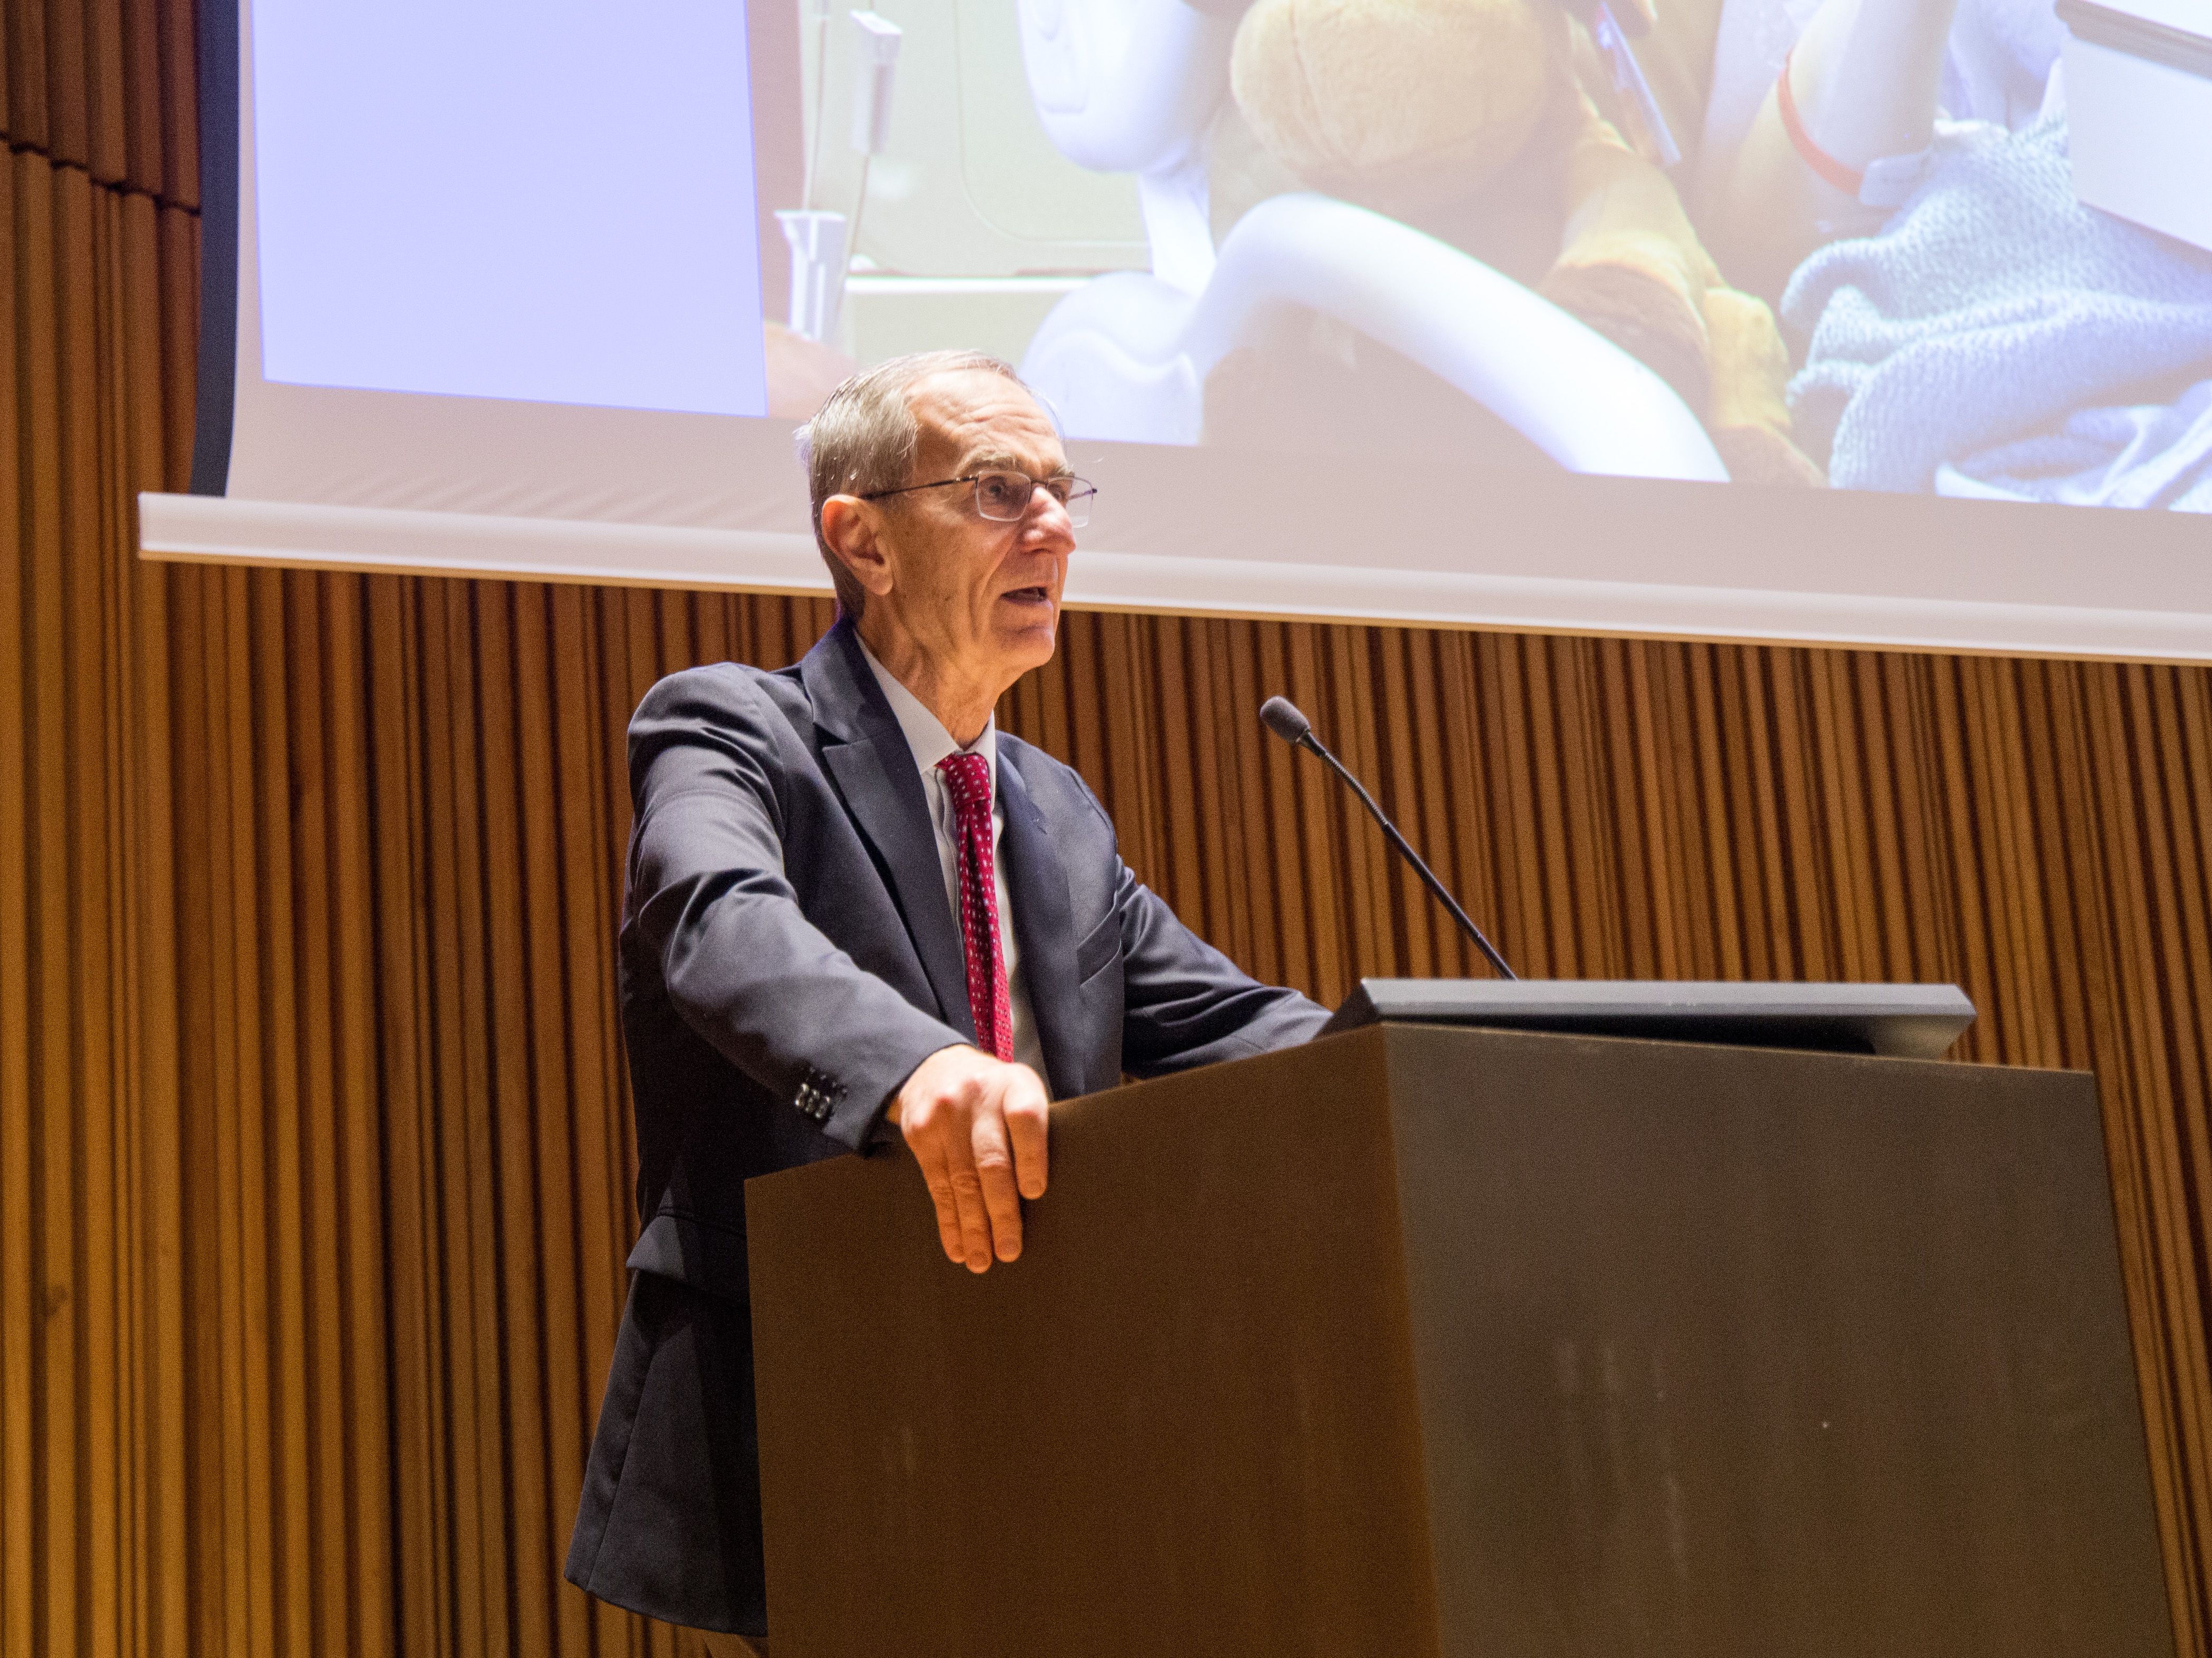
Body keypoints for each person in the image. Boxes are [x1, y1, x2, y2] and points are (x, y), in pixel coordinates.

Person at [563, 349, 1331, 1655]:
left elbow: (1246, 1030)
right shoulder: (733, 728)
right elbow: (716, 921)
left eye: (1060, 488)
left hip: (1054, 1405)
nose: (1054, 524)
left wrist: (1451, 1061)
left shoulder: (1057, 815)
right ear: (860, 539)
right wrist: (915, 1067)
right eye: (995, 490)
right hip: (815, 1407)